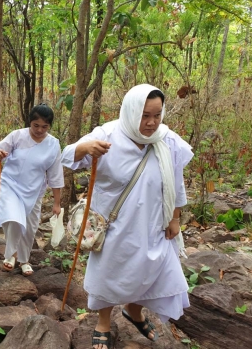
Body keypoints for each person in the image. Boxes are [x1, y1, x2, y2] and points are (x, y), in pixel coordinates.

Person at [61, 84, 193, 349]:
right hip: (115, 225)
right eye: (145, 115)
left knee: (155, 272)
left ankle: (133, 311)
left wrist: (175, 217)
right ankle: (103, 323)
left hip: (154, 223)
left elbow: (176, 182)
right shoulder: (108, 134)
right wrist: (86, 148)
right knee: (110, 273)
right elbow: (66, 156)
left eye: (157, 115)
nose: (152, 122)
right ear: (132, 111)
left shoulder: (167, 140)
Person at [0, 104, 64, 277]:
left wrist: (57, 202)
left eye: (44, 127)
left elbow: (55, 174)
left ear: (49, 126)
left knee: (30, 227)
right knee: (14, 219)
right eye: (35, 125)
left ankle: (24, 260)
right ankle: (11, 256)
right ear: (29, 122)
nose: (39, 130)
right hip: (11, 185)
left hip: (35, 190)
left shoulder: (53, 144)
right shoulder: (17, 136)